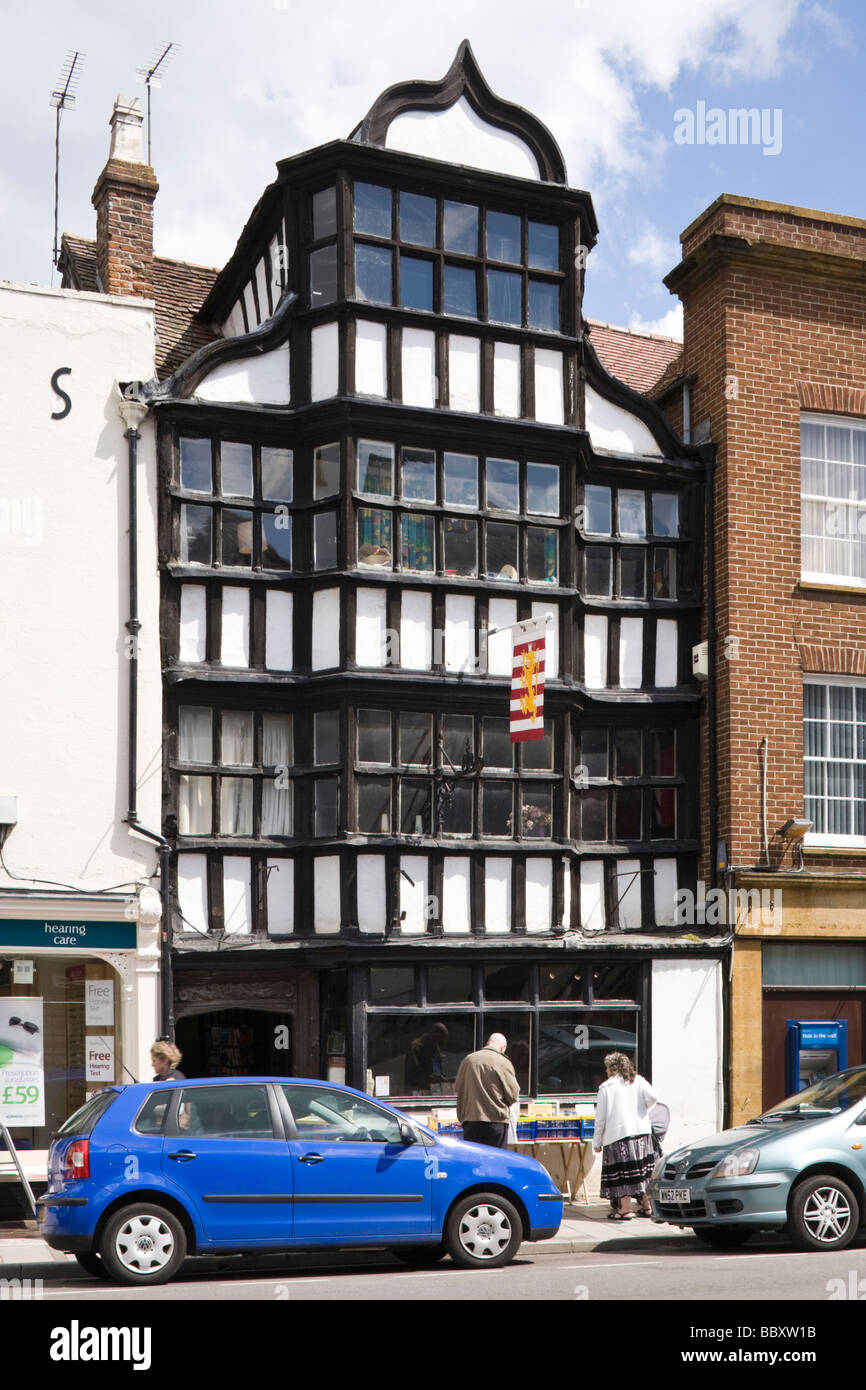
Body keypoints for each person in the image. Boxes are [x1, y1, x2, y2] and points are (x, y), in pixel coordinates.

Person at [592, 1052, 658, 1220]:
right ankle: (647, 1207)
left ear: (612, 1068)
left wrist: (597, 1142)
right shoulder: (638, 1081)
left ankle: (625, 1209)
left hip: (618, 1135)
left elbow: (600, 1119)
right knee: (643, 1172)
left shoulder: (606, 1087)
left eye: (607, 1068)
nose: (606, 1071)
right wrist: (642, 1110)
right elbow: (653, 1097)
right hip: (642, 1133)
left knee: (623, 1173)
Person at [455, 1033, 519, 1148]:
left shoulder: (468, 1060)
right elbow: (513, 1095)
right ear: (502, 1048)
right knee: (496, 1157)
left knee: (475, 1158)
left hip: (471, 1120)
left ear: (487, 1043)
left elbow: (458, 1087)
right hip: (496, 1120)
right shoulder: (503, 1062)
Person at [404, 1022, 449, 1090]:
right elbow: (413, 1073)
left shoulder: (435, 1048)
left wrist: (443, 1078)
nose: (442, 1041)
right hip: (417, 1090)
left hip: (434, 1089)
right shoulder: (416, 1047)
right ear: (435, 1033)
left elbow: (438, 1070)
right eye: (441, 1038)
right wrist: (433, 1078)